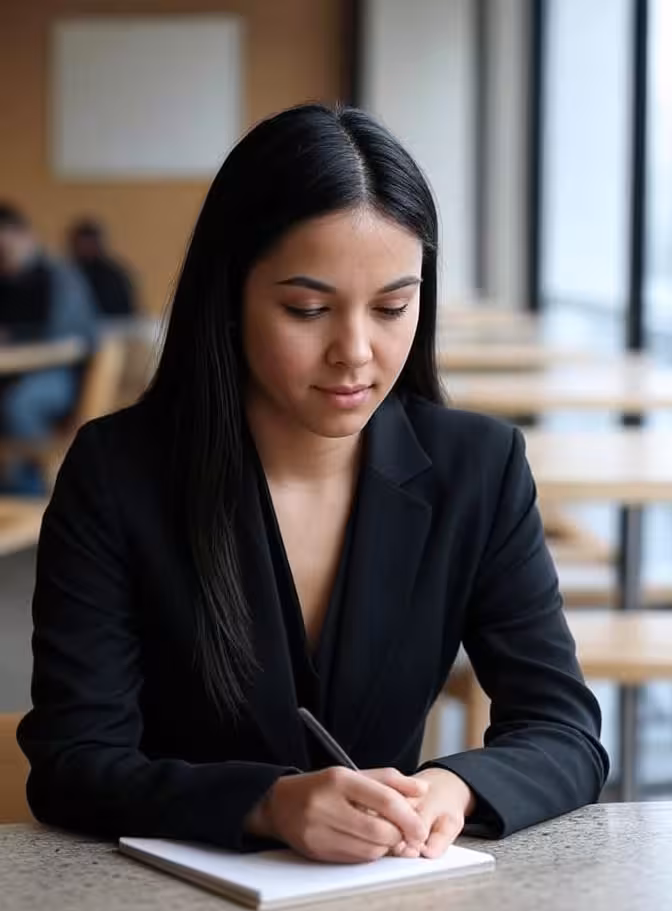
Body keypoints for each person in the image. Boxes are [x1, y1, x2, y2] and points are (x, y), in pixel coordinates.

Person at [17, 104, 608, 863]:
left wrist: (453, 788)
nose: (356, 353)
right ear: (230, 297)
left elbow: (564, 732)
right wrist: (265, 804)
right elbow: (72, 762)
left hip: (390, 903)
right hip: (171, 901)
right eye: (307, 309)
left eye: (394, 306)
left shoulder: (479, 468)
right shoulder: (116, 472)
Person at [0, 203, 97, 493]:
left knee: (21, 403)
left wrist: (16, 337)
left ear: (26, 237)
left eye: (6, 249)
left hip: (60, 376)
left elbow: (74, 337)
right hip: (11, 371)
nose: (4, 259)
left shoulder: (60, 278)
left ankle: (35, 489)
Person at [68, 218, 137, 318]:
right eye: (82, 244)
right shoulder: (67, 275)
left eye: (89, 244)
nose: (86, 249)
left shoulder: (113, 275)